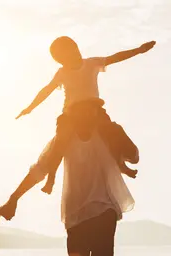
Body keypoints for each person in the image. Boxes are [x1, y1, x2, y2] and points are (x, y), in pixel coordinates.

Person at [2, 102, 139, 256]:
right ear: (72, 114)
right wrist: (14, 198)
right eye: (79, 110)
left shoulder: (108, 132)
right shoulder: (63, 140)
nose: (85, 113)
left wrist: (117, 131)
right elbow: (39, 170)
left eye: (89, 108)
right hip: (76, 215)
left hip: (104, 210)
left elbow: (134, 157)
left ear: (95, 110)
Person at [15, 36, 155, 194]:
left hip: (95, 110)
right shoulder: (62, 73)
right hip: (71, 114)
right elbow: (46, 90)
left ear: (76, 48)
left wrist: (139, 50)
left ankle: (120, 164)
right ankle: (51, 178)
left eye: (73, 50)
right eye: (65, 57)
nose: (73, 56)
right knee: (61, 141)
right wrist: (30, 107)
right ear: (61, 61)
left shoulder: (91, 63)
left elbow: (115, 58)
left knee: (110, 131)